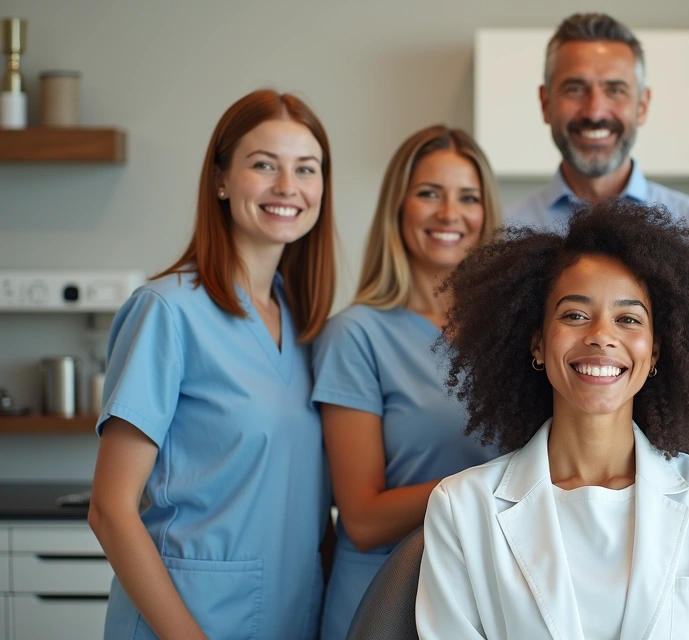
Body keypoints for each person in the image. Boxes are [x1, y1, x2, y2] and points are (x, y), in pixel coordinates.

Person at [417, 201, 689, 639]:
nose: (602, 335)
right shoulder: (461, 507)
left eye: (628, 318)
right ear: (536, 342)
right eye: (575, 315)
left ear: (655, 351)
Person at [88, 89, 337, 639]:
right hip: (187, 621)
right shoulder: (167, 311)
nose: (287, 186)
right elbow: (109, 509)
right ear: (221, 180)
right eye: (264, 165)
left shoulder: (306, 324)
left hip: (290, 616)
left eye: (306, 168)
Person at [311, 125, 503, 639]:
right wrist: (498, 480)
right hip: (384, 600)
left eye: (468, 197)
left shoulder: (514, 335)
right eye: (429, 194)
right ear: (398, 207)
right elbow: (362, 520)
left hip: (484, 598)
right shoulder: (355, 336)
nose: (449, 213)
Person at [506, 12, 689, 249]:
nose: (594, 112)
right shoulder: (504, 232)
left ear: (642, 106)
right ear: (546, 103)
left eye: (615, 90)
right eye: (574, 89)